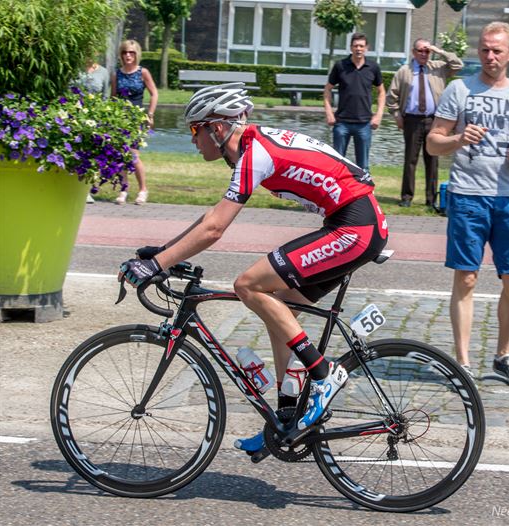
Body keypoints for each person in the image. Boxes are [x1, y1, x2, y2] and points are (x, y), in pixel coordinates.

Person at [119, 83, 389, 453]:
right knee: (280, 309)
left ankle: (323, 374)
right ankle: (286, 422)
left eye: (195, 131)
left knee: (248, 285)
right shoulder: (252, 146)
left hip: (354, 226)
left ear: (216, 128)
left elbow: (215, 229)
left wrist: (156, 266)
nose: (193, 141)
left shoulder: (255, 152)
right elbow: (212, 216)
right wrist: (164, 253)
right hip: (353, 222)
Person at [426, 22, 509, 387]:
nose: (489, 57)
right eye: (484, 50)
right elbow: (432, 142)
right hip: (468, 194)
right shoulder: (459, 89)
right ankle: (463, 363)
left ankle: (503, 355)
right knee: (467, 277)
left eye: (497, 51)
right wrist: (459, 138)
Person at [386, 39, 463, 209]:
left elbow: (458, 65)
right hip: (412, 120)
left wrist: (439, 50)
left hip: (434, 120)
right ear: (413, 52)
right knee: (410, 159)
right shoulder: (404, 71)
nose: (424, 54)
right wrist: (397, 115)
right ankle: (406, 197)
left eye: (427, 51)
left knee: (432, 160)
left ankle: (431, 199)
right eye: (420, 51)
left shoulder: (438, 67)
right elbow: (392, 97)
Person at [324, 32, 386, 174]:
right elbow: (327, 90)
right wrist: (329, 112)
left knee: (363, 166)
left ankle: (364, 193)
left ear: (366, 48)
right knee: (337, 163)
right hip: (342, 123)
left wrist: (378, 115)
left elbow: (381, 92)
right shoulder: (340, 66)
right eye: (355, 46)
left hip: (364, 123)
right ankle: (334, 193)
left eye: (361, 46)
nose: (358, 49)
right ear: (351, 48)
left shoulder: (373, 67)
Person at [112, 39, 158, 205]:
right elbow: (113, 98)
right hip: (120, 118)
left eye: (131, 52)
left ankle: (143, 189)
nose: (128, 55)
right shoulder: (117, 74)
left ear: (136, 54)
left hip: (135, 119)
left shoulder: (142, 72)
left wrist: (150, 114)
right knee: (120, 155)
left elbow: (154, 93)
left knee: (133, 155)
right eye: (125, 52)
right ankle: (124, 189)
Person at [76, 58, 112, 203]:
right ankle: (78, 187)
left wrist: (104, 118)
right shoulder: (76, 70)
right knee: (78, 152)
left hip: (95, 117)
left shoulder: (103, 72)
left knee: (92, 154)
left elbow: (106, 96)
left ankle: (88, 188)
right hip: (77, 115)